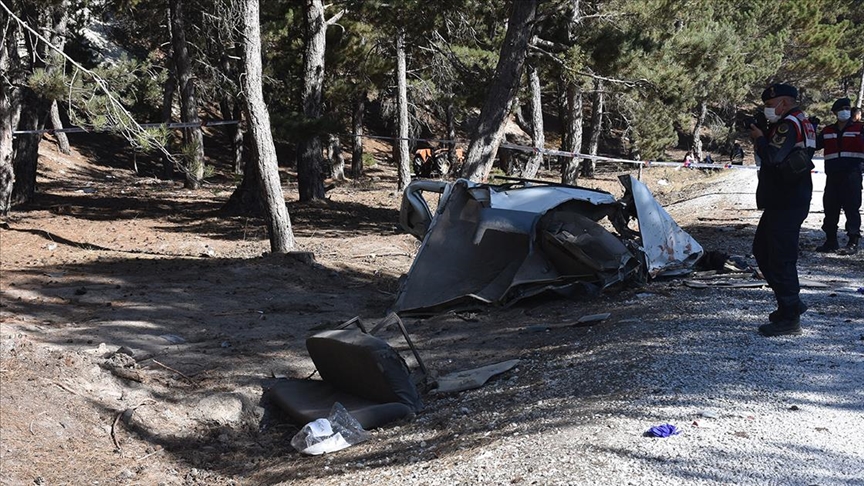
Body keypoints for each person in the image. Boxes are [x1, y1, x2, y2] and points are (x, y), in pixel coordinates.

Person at [748, 83, 816, 337]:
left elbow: (775, 157)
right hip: (787, 197)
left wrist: (761, 139)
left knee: (780, 257)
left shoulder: (789, 124)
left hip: (787, 198)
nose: (767, 110)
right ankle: (791, 304)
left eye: (769, 105)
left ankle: (790, 317)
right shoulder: (802, 120)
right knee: (762, 250)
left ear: (784, 102)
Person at [814, 97, 862, 255]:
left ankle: (853, 242)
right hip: (833, 175)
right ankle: (831, 241)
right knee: (830, 208)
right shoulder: (828, 130)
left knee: (851, 208)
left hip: (852, 175)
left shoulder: (860, 128)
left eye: (848, 108)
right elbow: (814, 145)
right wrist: (811, 129)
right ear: (834, 112)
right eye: (842, 109)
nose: (845, 111)